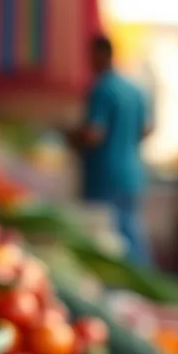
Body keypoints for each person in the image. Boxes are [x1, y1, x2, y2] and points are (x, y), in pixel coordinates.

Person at [68, 35, 153, 266]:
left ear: (102, 54)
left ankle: (129, 291)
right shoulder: (134, 90)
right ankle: (141, 284)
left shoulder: (102, 89)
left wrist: (72, 137)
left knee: (109, 242)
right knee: (130, 232)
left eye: (91, 56)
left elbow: (94, 134)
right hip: (131, 173)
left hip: (106, 176)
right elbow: (146, 130)